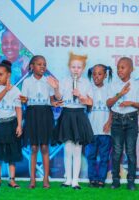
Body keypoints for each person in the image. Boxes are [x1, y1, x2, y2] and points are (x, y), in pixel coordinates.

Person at [54, 52, 93, 190]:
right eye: (73, 66)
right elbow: (58, 97)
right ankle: (68, 179)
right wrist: (56, 88)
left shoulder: (87, 83)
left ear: (83, 68)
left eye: (79, 67)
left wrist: (81, 96)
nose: (76, 69)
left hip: (79, 115)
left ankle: (76, 181)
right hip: (67, 114)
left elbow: (90, 101)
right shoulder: (64, 80)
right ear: (69, 67)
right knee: (67, 149)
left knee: (77, 149)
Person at [21, 55, 59, 189]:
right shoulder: (26, 82)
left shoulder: (48, 81)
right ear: (32, 67)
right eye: (39, 64)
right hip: (32, 114)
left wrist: (56, 90)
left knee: (44, 146)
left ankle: (45, 179)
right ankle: (32, 180)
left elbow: (53, 100)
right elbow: (24, 100)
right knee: (33, 148)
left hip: (45, 114)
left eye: (44, 64)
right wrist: (20, 99)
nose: (42, 66)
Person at [106, 57, 139, 190]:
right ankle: (115, 180)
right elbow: (109, 104)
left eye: (123, 67)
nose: (119, 70)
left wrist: (131, 103)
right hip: (116, 120)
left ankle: (131, 181)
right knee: (116, 152)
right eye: (118, 68)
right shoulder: (113, 85)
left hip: (131, 120)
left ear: (131, 69)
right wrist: (120, 94)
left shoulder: (137, 85)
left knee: (130, 151)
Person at [0, 60, 23, 189]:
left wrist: (19, 125)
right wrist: (5, 91)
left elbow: (18, 108)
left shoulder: (15, 90)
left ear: (8, 75)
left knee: (11, 153)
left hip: (10, 124)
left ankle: (12, 180)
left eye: (1, 74)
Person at [85, 64, 112, 188]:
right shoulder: (89, 89)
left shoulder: (109, 89)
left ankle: (101, 179)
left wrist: (109, 122)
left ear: (105, 75)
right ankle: (92, 179)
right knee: (91, 156)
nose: (96, 76)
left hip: (105, 131)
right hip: (91, 130)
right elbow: (86, 108)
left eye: (100, 74)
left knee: (104, 156)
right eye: (94, 74)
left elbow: (112, 108)